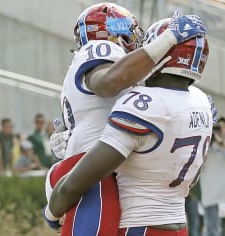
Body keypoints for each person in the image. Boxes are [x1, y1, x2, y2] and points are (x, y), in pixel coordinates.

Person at [47, 16, 210, 236]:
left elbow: (75, 184)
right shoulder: (201, 102)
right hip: (178, 225)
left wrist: (51, 212)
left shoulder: (143, 105)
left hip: (139, 226)